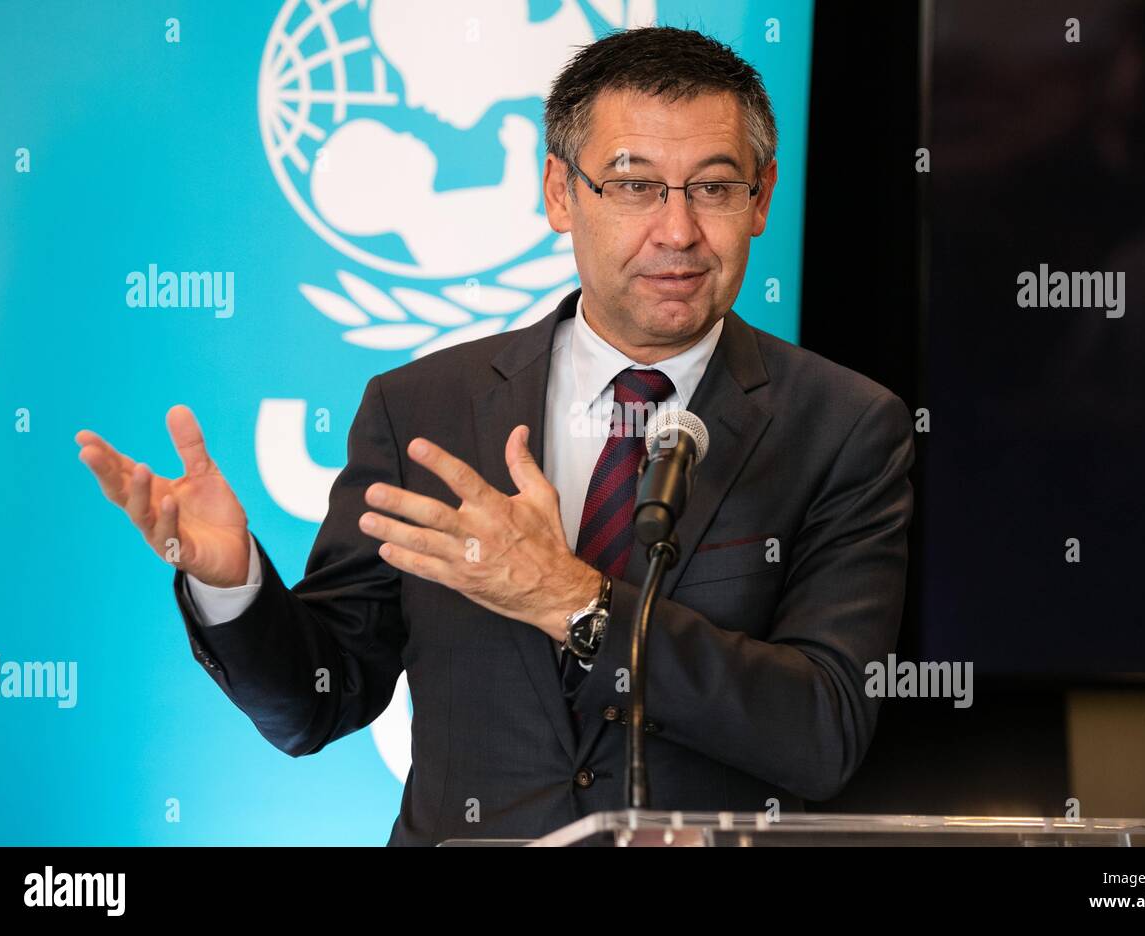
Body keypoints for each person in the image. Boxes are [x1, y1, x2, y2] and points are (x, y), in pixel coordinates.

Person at [75, 26, 915, 846]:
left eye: (713, 187)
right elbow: (319, 702)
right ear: (559, 191)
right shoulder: (425, 410)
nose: (678, 230)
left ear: (761, 198)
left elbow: (821, 731)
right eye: (633, 185)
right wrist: (235, 587)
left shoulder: (842, 427)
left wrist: (571, 601)